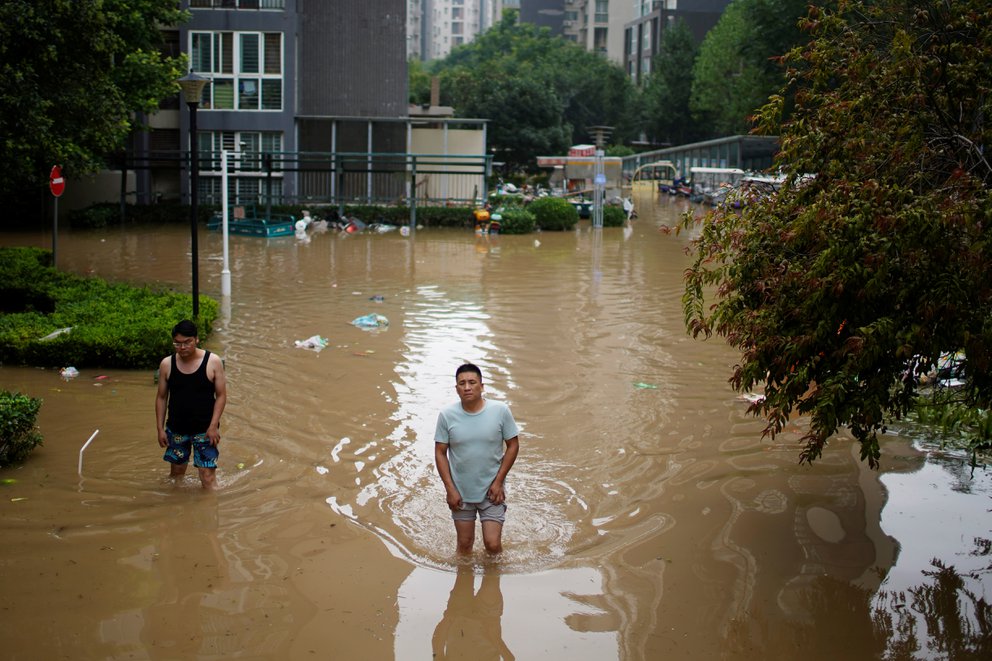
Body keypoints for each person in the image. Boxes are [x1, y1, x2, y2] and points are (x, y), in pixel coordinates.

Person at [434, 363, 520, 555]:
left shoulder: (500, 411)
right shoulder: (447, 415)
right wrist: (450, 489)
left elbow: (513, 445)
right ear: (456, 388)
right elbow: (440, 452)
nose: (467, 387)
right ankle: (464, 582)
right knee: (464, 545)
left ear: (482, 386)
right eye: (462, 383)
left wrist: (499, 482)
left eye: (472, 382)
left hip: (492, 490)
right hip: (460, 492)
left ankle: (493, 581)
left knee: (493, 545)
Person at [155, 320, 227, 489]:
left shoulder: (213, 361)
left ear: (196, 339)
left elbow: (221, 396)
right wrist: (159, 429)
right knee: (176, 475)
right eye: (177, 343)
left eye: (187, 342)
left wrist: (213, 426)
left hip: (205, 429)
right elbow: (161, 397)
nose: (182, 347)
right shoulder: (167, 364)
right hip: (177, 428)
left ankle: (209, 511)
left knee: (207, 476)